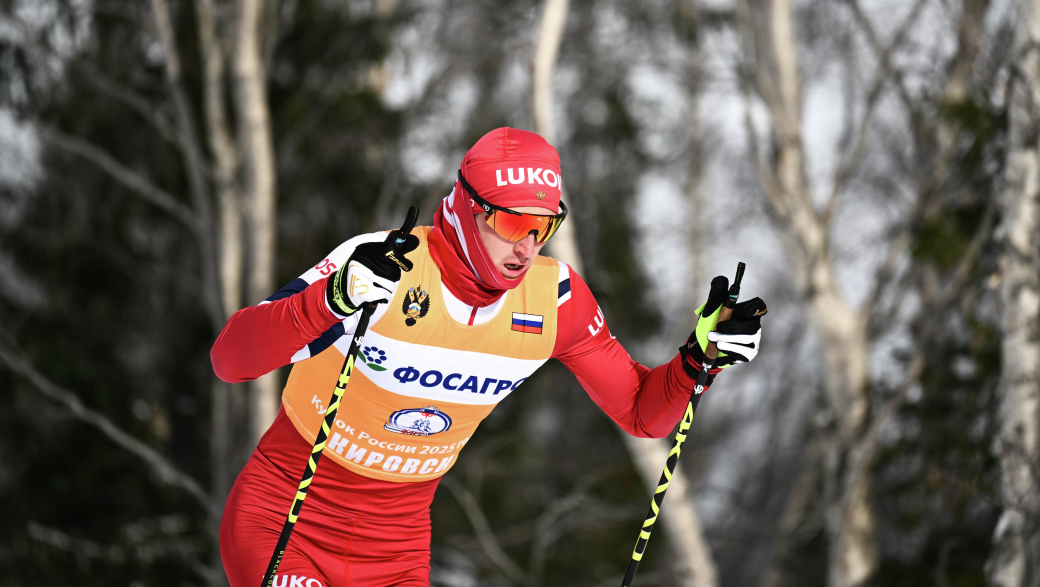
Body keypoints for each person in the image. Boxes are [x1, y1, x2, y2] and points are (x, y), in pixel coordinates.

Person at [212, 127, 767, 587]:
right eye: (511, 224)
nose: (527, 247)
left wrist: (701, 358)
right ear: (465, 209)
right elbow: (231, 359)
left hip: (397, 551)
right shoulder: (385, 264)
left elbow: (643, 415)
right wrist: (331, 301)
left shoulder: (556, 301)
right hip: (287, 516)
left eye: (543, 227)